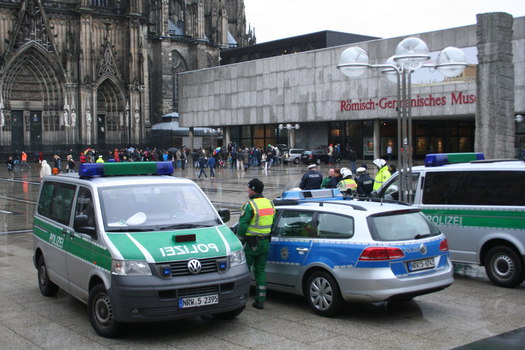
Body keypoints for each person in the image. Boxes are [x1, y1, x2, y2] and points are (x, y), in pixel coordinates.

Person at [236, 178, 275, 310]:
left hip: (251, 244)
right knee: (260, 271)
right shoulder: (270, 203)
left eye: (248, 188)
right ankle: (260, 300)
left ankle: (241, 299)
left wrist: (238, 240)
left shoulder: (250, 205)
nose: (247, 190)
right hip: (265, 242)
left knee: (243, 271)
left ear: (253, 189)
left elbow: (243, 225)